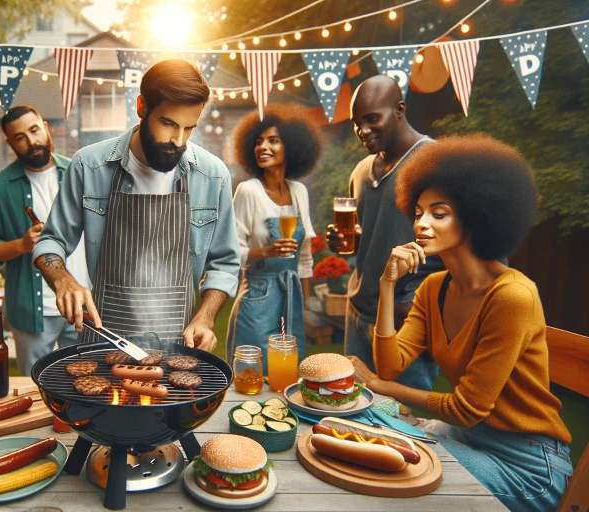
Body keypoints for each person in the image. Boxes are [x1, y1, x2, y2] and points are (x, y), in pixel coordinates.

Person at [349, 134, 572, 512]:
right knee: (370, 428)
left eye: (439, 212)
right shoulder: (434, 288)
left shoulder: (512, 296)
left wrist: (376, 384)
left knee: (399, 462)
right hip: (470, 438)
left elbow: (465, 408)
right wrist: (387, 285)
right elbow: (391, 363)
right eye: (418, 211)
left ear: (475, 214)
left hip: (529, 464)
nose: (421, 223)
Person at [31, 59, 240, 351]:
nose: (177, 141)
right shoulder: (89, 165)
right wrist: (63, 280)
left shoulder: (212, 174)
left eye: (188, 128)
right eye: (168, 123)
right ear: (141, 107)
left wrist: (204, 319)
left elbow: (225, 264)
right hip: (103, 338)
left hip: (179, 342)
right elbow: (50, 242)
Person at [327, 75, 441, 391]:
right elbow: (370, 241)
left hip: (405, 321)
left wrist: (415, 304)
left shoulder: (435, 164)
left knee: (404, 424)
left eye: (372, 118)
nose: (362, 130)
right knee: (351, 413)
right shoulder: (361, 171)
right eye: (356, 122)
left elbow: (459, 248)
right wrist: (344, 242)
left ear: (400, 110)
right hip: (358, 313)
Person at [0, 106, 91, 375]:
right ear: (10, 142)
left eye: (34, 130)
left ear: (45, 128)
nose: (31, 141)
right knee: (34, 384)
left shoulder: (78, 172)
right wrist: (22, 245)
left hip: (83, 300)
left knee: (87, 382)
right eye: (20, 137)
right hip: (31, 310)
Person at [227, 104, 322, 371]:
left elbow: (304, 257)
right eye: (258, 142)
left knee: (289, 371)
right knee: (253, 370)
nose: (263, 147)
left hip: (291, 296)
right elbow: (233, 253)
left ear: (291, 146)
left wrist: (304, 304)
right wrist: (267, 252)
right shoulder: (248, 191)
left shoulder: (299, 191)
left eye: (273, 140)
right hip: (257, 295)